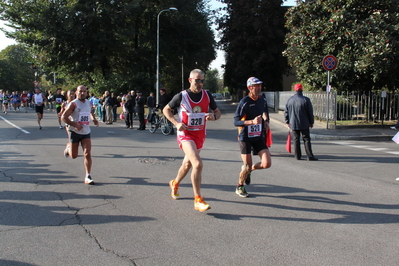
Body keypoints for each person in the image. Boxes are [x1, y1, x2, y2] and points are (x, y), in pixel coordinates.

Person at [163, 69, 221, 212]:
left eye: (202, 80)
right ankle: (198, 199)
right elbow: (166, 109)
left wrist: (214, 117)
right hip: (185, 135)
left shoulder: (207, 95)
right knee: (198, 163)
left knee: (188, 164)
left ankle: (175, 183)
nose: (200, 83)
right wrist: (176, 123)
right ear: (190, 80)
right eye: (197, 80)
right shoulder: (181, 96)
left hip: (199, 136)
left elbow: (217, 112)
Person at [233, 77, 272, 198]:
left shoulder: (262, 100)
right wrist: (252, 122)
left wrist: (266, 122)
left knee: (267, 164)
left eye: (260, 85)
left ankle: (249, 170)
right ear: (250, 88)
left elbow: (265, 111)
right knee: (247, 165)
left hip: (258, 136)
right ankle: (240, 186)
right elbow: (236, 122)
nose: (259, 88)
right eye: (256, 86)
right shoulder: (244, 102)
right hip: (245, 137)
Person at [61, 85, 99, 185]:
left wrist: (94, 119)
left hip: (86, 131)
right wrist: (75, 124)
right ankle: (68, 147)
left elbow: (89, 112)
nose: (82, 93)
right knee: (74, 156)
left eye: (84, 91)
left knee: (87, 153)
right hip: (74, 131)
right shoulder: (73, 104)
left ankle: (88, 176)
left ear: (87, 92)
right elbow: (63, 117)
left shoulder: (88, 102)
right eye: (80, 91)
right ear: (76, 92)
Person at [284, 83, 318, 161]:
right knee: (306, 139)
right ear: (302, 89)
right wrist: (311, 122)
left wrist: (287, 121)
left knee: (296, 139)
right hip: (304, 123)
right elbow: (310, 112)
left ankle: (297, 156)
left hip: (293, 123)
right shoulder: (306, 99)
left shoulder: (290, 100)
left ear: (294, 90)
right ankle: (309, 155)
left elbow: (286, 112)